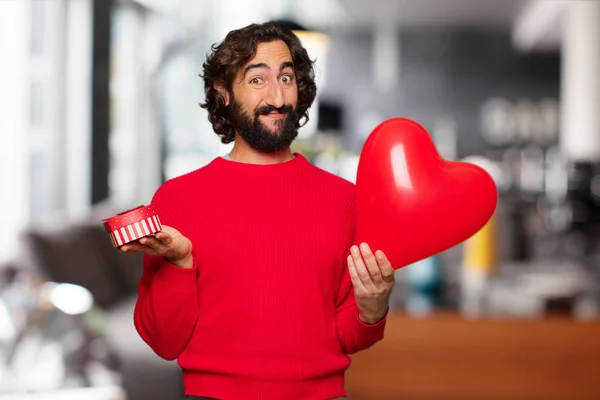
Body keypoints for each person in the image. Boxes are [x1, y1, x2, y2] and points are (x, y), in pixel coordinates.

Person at [120, 21, 396, 400]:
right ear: (224, 94)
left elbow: (349, 336)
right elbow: (163, 342)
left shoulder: (344, 200)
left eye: (286, 78)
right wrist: (181, 264)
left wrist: (372, 309)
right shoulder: (176, 200)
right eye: (257, 80)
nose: (277, 97)